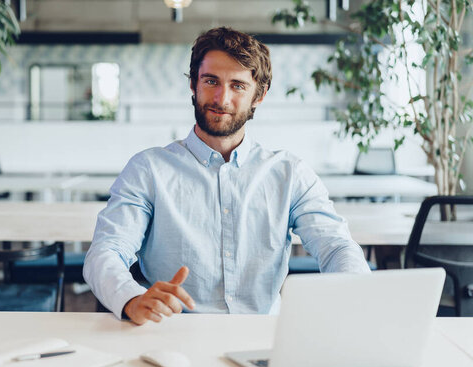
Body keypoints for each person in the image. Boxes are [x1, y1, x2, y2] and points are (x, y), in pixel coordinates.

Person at [83, 27, 370, 325]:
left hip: (263, 338)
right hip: (172, 336)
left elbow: (336, 246)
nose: (222, 98)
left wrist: (355, 293)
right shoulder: (148, 170)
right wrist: (131, 297)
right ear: (194, 85)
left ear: (258, 95)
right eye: (211, 81)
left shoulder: (290, 173)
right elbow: (106, 251)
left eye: (238, 85)